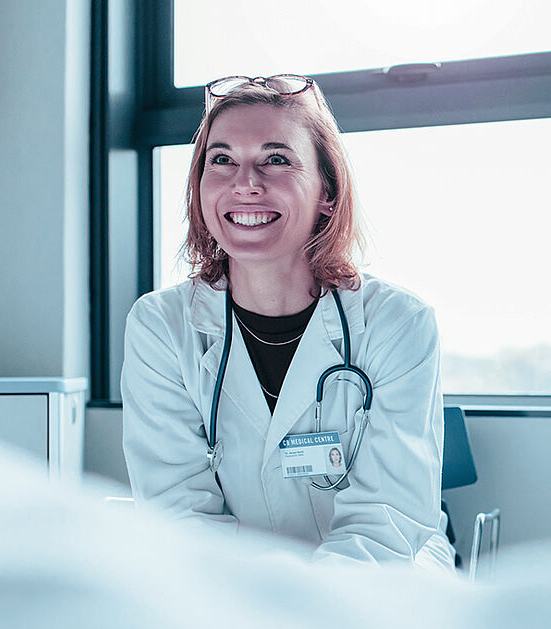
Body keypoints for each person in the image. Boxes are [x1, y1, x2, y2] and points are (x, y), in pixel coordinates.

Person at [121, 74, 455, 570]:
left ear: (327, 191)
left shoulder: (397, 324)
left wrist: (302, 614)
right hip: (233, 591)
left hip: (380, 581)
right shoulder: (161, 327)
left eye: (276, 159)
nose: (245, 183)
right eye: (222, 160)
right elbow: (178, 513)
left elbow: (387, 523)